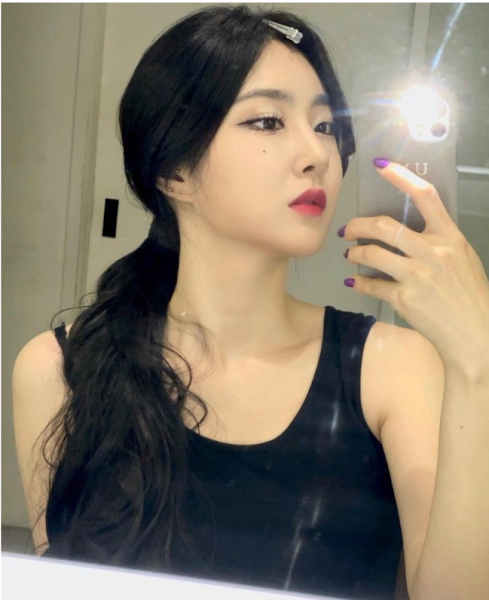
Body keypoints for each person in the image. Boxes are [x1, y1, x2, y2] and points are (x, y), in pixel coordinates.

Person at [13, 5, 489, 600]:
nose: (317, 154)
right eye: (267, 121)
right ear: (174, 171)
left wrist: (477, 360)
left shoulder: (393, 369)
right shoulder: (60, 370)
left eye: (325, 125)